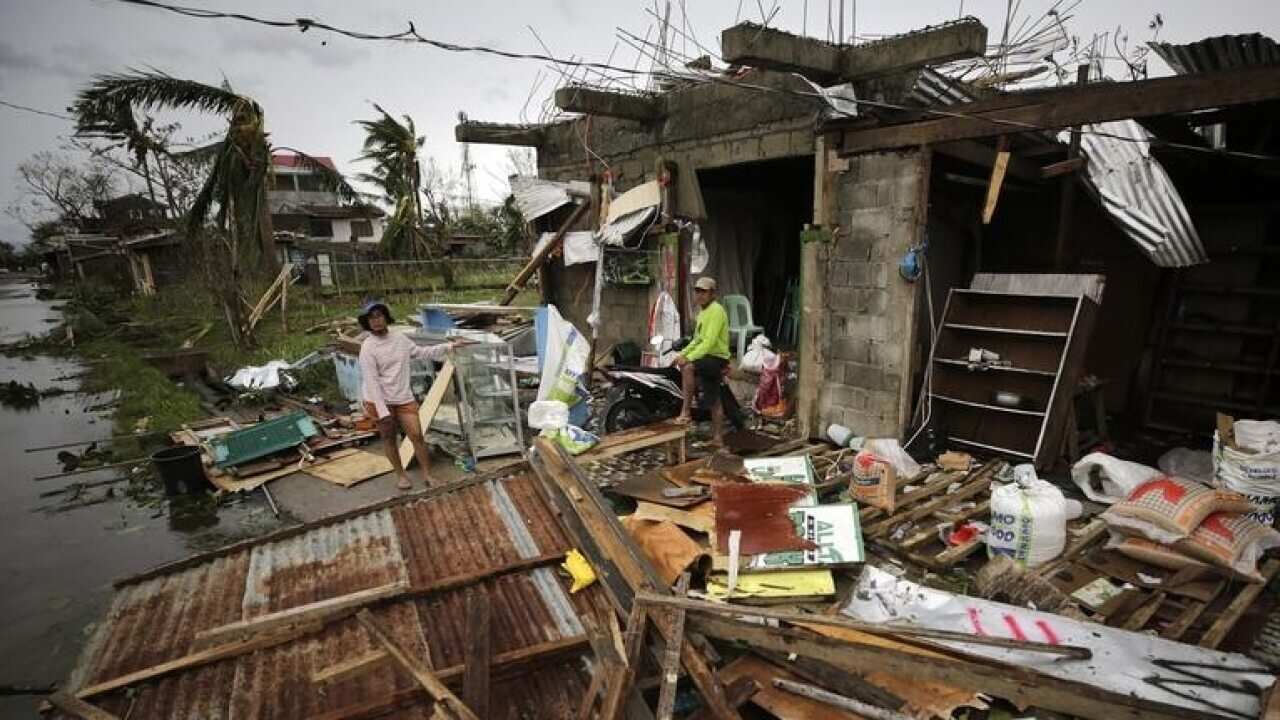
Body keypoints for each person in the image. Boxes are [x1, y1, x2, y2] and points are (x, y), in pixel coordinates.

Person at [358, 300, 454, 490]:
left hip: (402, 397)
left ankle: (428, 475)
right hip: (379, 400)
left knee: (417, 435)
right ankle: (401, 476)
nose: (376, 321)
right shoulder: (368, 347)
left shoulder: (400, 339)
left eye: (379, 315)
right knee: (389, 438)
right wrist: (383, 412)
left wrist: (449, 346)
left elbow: (420, 352)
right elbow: (372, 382)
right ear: (367, 323)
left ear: (386, 317)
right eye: (371, 318)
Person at [674, 276, 731, 446]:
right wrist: (682, 353)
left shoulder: (716, 311)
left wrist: (688, 358)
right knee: (714, 399)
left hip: (717, 358)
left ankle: (686, 411)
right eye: (697, 291)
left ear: (712, 293)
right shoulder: (703, 313)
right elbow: (697, 340)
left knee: (688, 368)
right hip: (707, 357)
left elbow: (709, 342)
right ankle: (718, 439)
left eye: (703, 292)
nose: (699, 295)